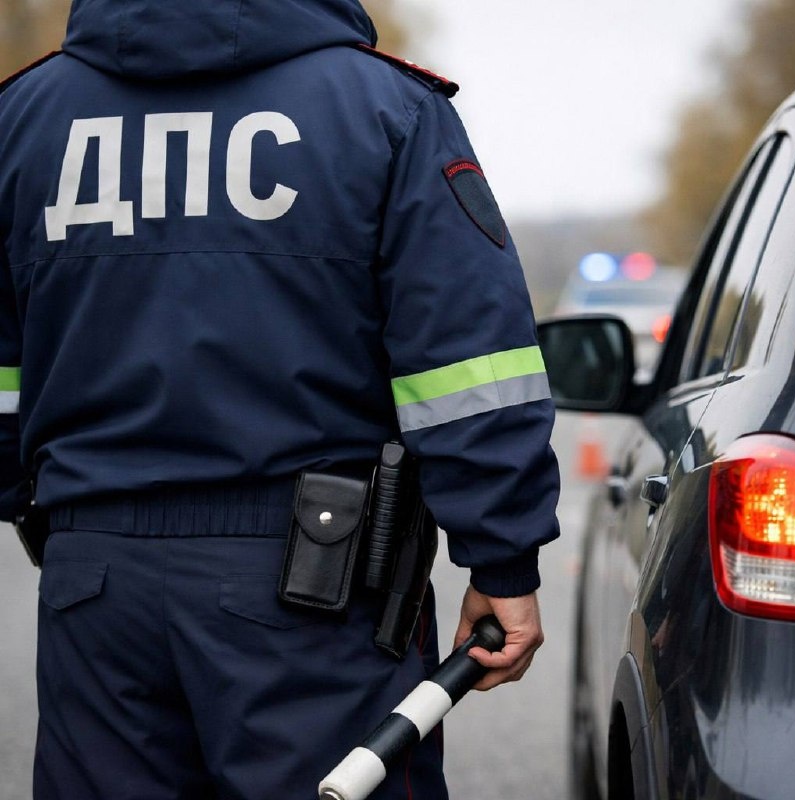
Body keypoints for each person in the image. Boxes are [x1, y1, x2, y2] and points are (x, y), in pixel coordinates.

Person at [0, 1, 560, 798]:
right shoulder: (385, 110)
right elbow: (469, 363)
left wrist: (40, 506)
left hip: (93, 589)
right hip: (316, 592)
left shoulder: (25, 119)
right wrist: (503, 556)